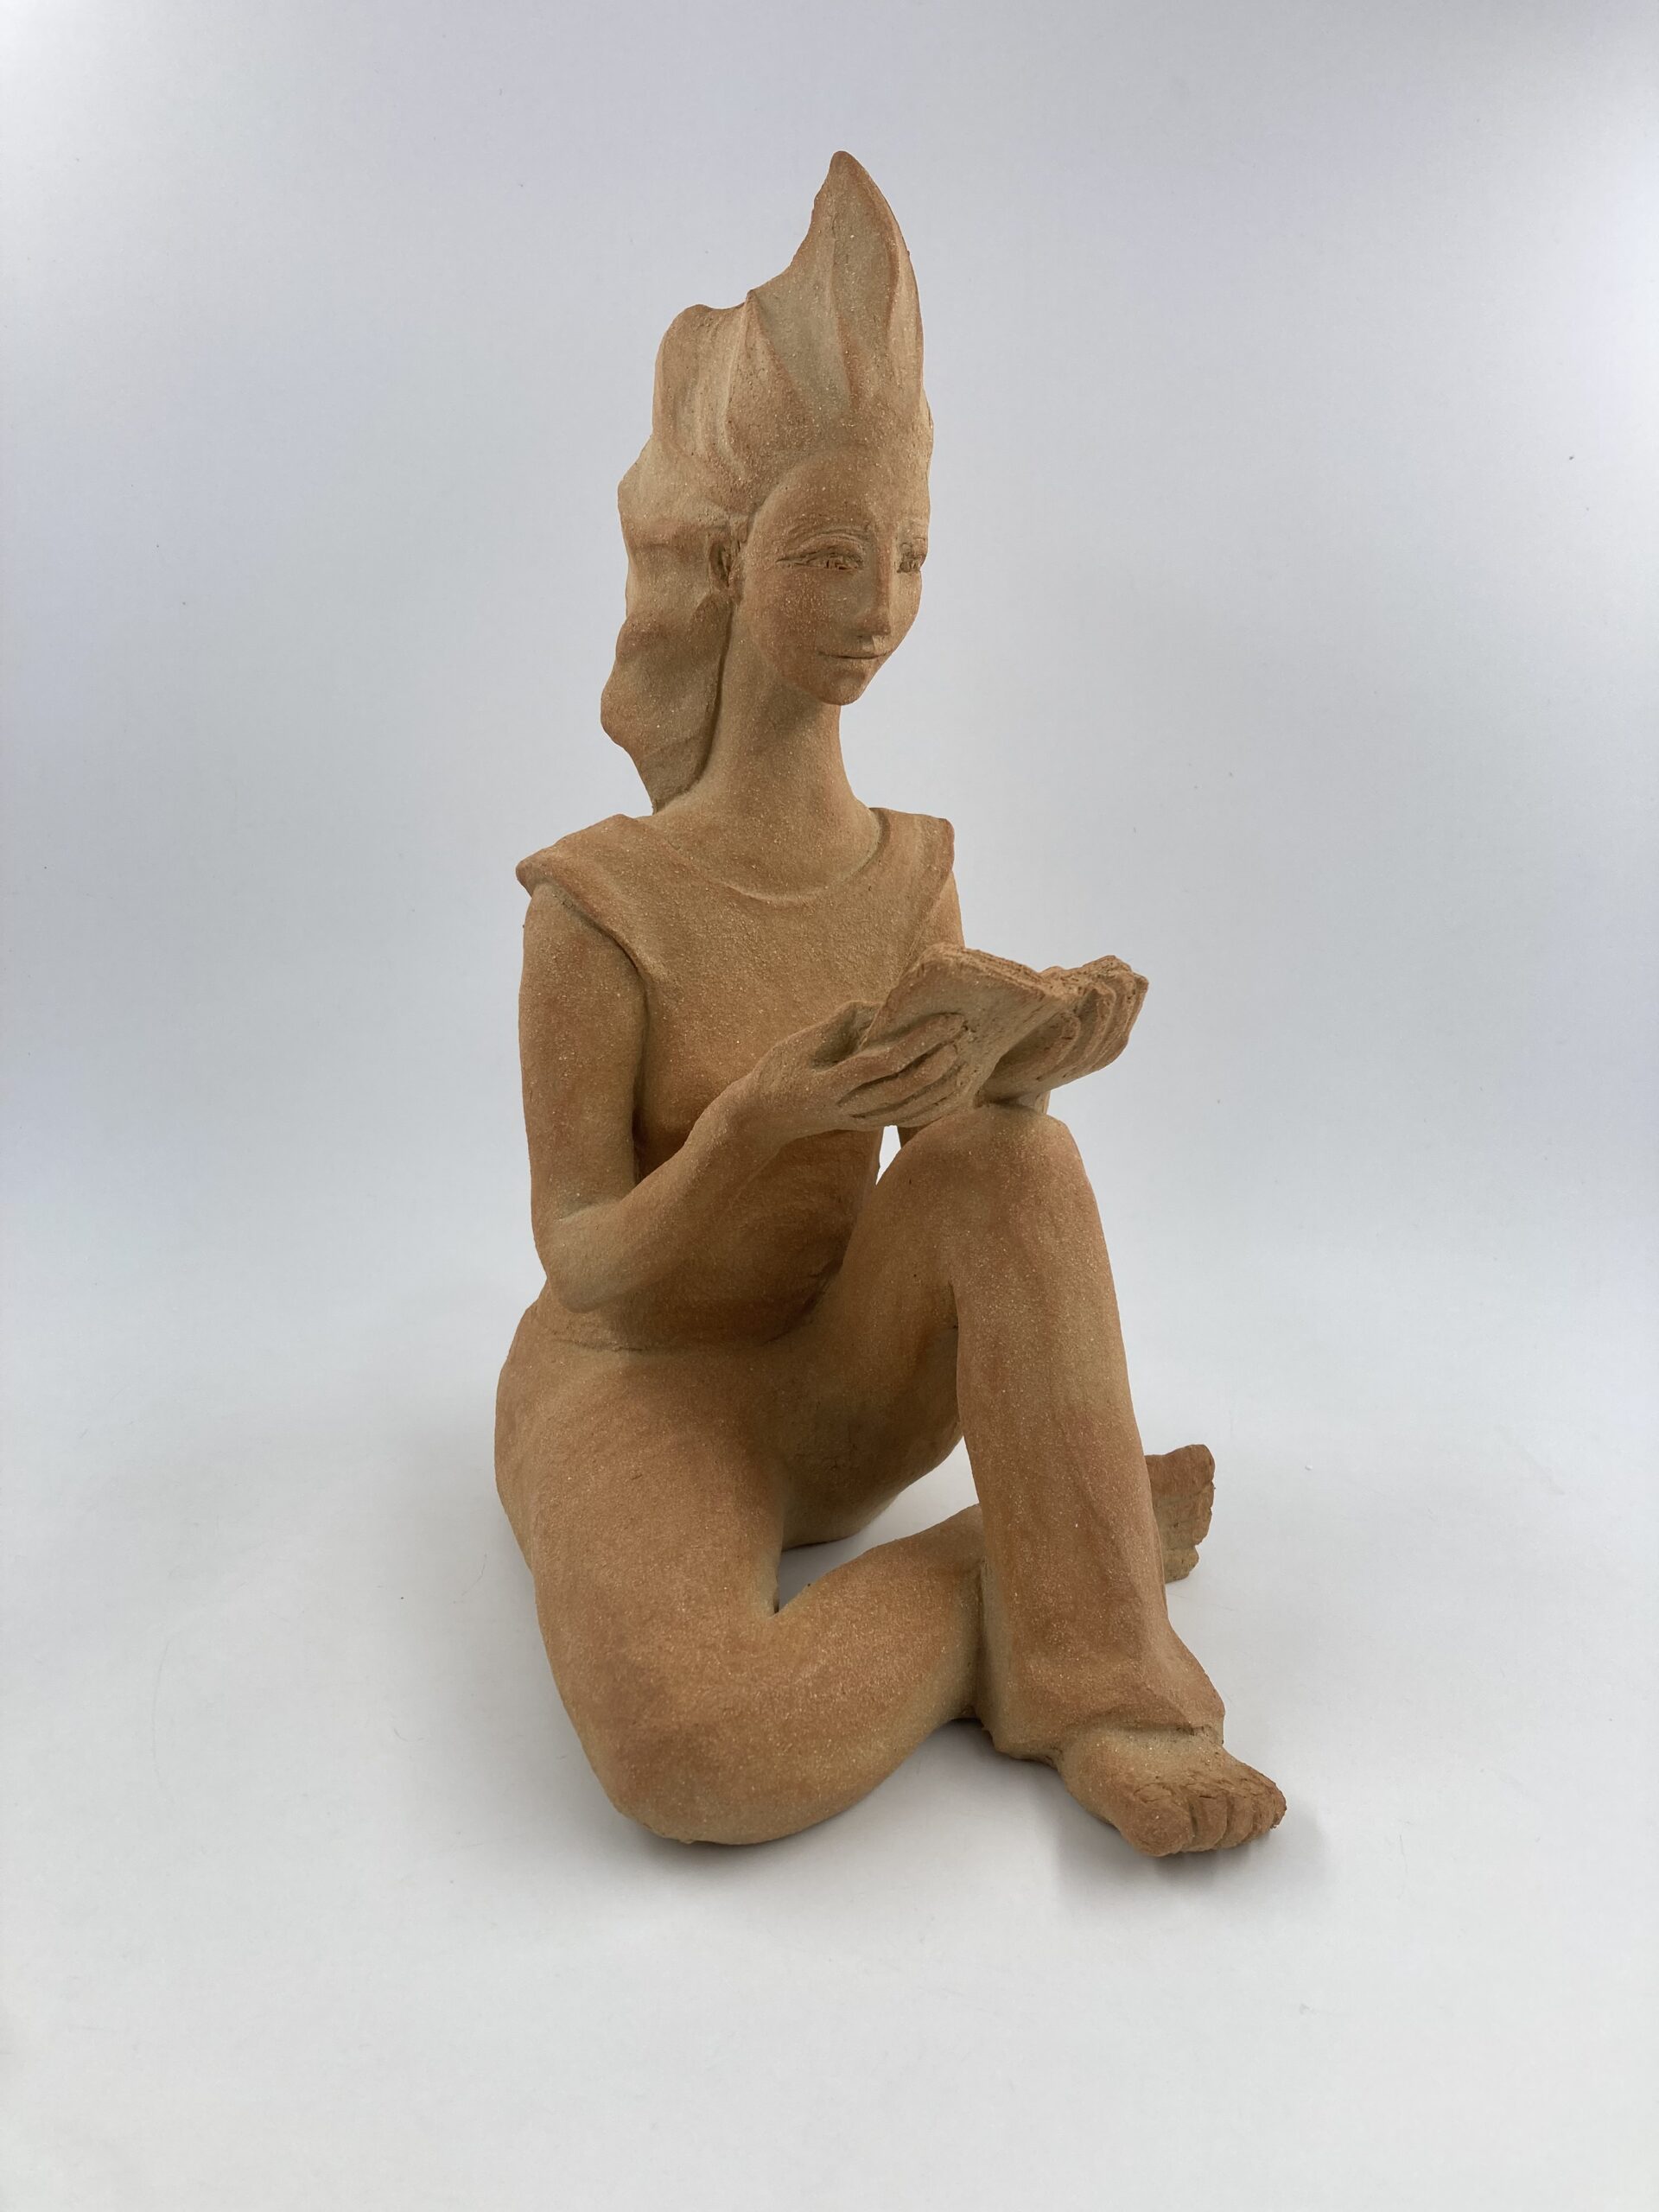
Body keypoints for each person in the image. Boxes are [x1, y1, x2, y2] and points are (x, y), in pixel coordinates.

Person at [496, 154, 1285, 1854]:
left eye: (911, 557)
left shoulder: (912, 866)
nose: (880, 611)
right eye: (835, 558)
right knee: (700, 1753)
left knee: (1017, 1162)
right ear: (729, 562)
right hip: (643, 1389)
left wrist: (1025, 1062)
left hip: (840, 1389)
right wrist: (749, 1129)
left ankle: (1108, 1685)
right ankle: (1034, 1555)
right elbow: (584, 1263)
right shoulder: (599, 906)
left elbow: (951, 1186)